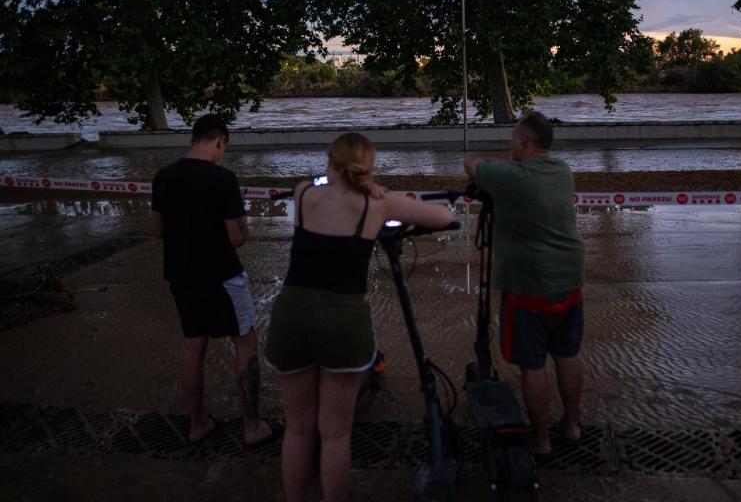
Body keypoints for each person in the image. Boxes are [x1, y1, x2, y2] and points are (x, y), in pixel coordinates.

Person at [266, 133, 454, 502]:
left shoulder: (304, 193)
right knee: (335, 433)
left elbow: (318, 181)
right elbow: (444, 217)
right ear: (368, 165)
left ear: (330, 160)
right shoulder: (375, 204)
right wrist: (375, 189)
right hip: (342, 318)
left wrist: (340, 179)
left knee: (299, 428)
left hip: (291, 313)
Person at [464, 110, 586, 457]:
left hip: (528, 285)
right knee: (568, 354)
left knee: (533, 365)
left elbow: (470, 164)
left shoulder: (510, 176)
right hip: (569, 279)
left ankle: (542, 441)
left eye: (512, 140)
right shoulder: (563, 172)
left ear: (523, 141)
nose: (510, 145)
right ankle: (573, 427)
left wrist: (480, 166)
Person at [150, 114, 276, 447]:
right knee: (245, 342)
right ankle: (252, 427)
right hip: (221, 275)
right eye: (224, 147)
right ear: (220, 140)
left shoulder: (163, 177)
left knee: (193, 345)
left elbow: (157, 230)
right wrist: (243, 221)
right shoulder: (222, 179)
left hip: (180, 274)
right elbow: (237, 238)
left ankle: (197, 424)